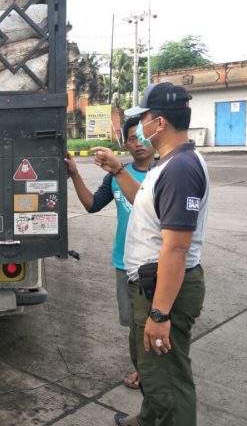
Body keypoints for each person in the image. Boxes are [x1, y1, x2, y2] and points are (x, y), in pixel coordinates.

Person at [91, 82, 209, 426]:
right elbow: (144, 199)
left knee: (168, 381)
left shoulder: (180, 170)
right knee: (151, 369)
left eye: (143, 118)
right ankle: (147, 419)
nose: (139, 127)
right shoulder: (168, 164)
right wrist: (117, 169)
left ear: (159, 124)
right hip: (149, 284)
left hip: (164, 288)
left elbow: (176, 246)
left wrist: (160, 314)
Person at [65, 116, 154, 390]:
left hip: (154, 265)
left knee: (152, 322)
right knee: (133, 325)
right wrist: (75, 174)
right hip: (123, 262)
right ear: (124, 143)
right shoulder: (116, 176)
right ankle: (142, 369)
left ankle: (152, 375)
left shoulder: (162, 173)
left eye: (141, 137)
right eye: (131, 139)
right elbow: (92, 205)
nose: (137, 144)